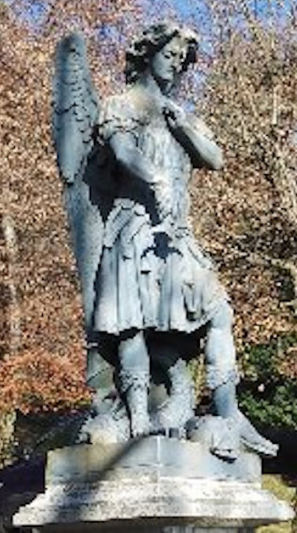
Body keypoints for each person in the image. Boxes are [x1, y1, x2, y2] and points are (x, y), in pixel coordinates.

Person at [90, 23, 238, 437]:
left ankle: (228, 416)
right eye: (168, 55)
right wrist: (157, 179)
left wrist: (184, 126)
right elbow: (123, 152)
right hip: (135, 227)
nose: (175, 64)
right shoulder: (122, 105)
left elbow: (215, 159)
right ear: (148, 54)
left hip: (176, 236)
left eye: (181, 59)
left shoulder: (180, 115)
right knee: (132, 323)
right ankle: (137, 419)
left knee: (219, 311)